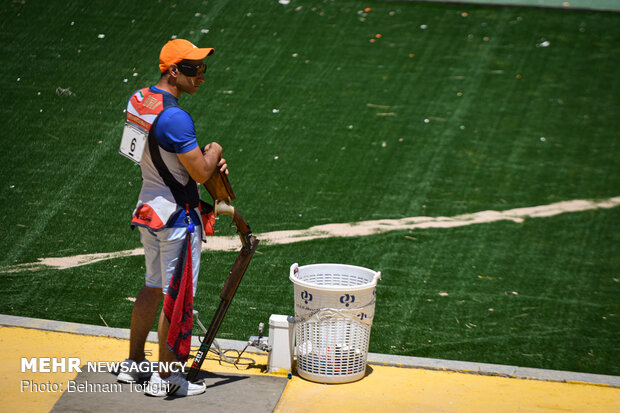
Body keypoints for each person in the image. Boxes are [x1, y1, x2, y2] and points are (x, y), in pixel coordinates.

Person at [117, 39, 227, 397]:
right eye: (194, 69)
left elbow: (134, 149)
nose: (201, 77)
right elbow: (198, 173)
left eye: (203, 69)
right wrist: (213, 151)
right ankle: (166, 379)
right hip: (177, 219)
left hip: (148, 207)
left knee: (152, 286)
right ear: (173, 71)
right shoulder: (176, 117)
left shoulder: (139, 100)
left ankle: (133, 365)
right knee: (175, 298)